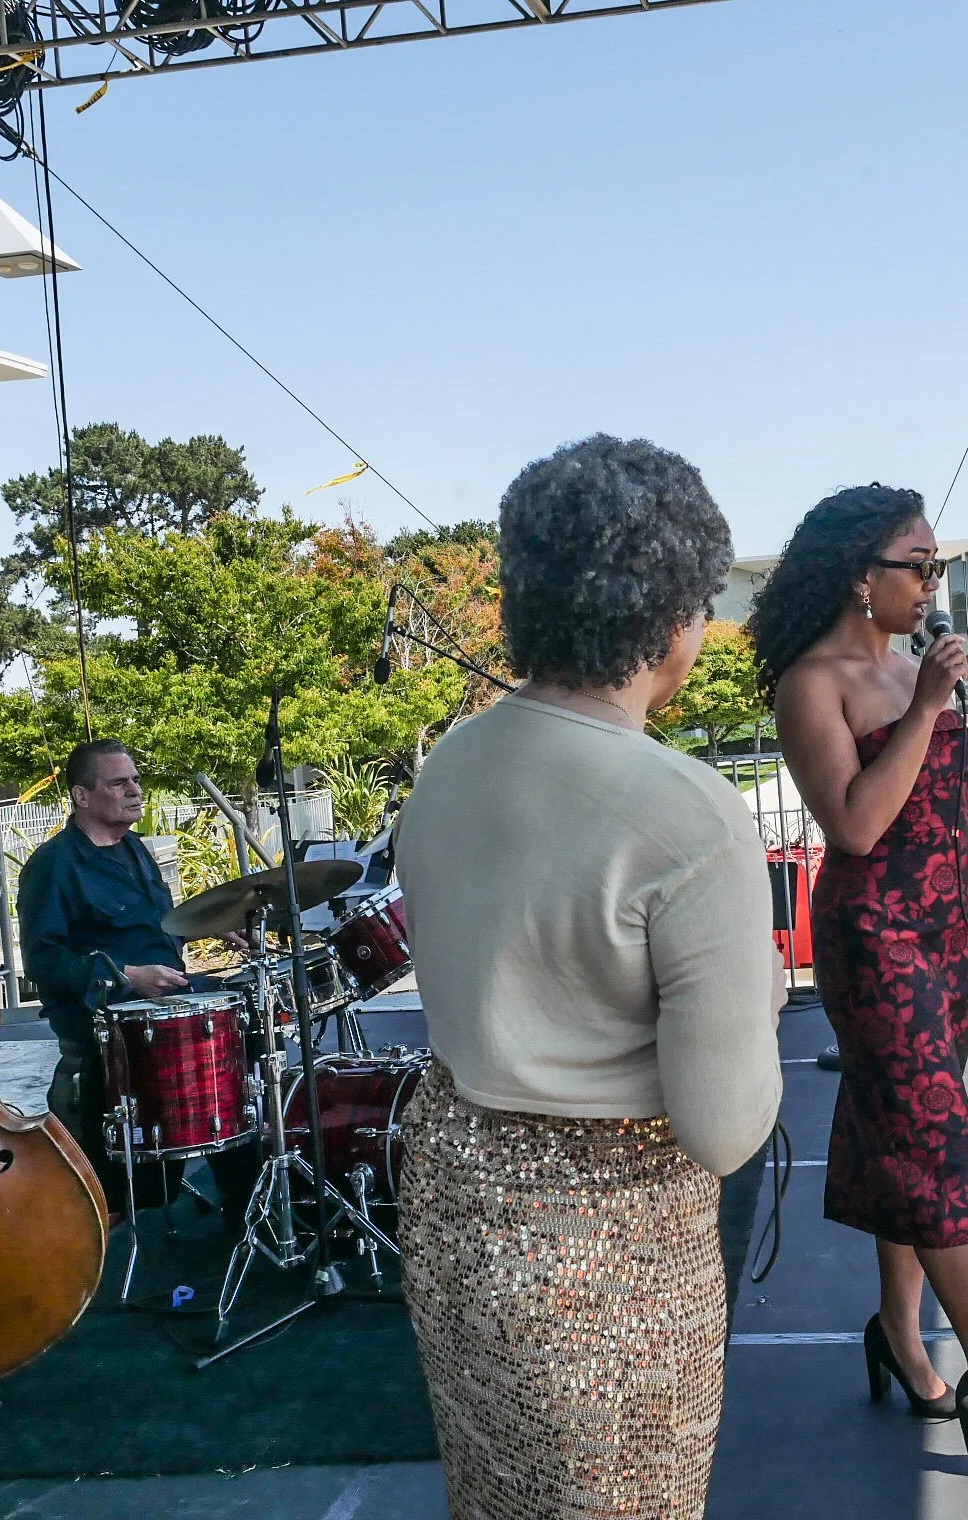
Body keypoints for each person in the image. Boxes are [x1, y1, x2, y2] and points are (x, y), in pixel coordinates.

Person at [393, 436, 783, 1520]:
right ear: (672, 616)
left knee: (497, 1492)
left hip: (458, 1204)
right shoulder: (688, 811)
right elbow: (723, 1128)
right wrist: (763, 988)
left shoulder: (450, 765)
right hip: (605, 1255)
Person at [751, 483, 968, 1478]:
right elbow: (855, 823)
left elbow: (958, 811)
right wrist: (932, 704)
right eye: (921, 564)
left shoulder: (908, 668)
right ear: (863, 574)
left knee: (898, 1138)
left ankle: (901, 1335)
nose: (935, 582)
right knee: (939, 1148)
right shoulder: (813, 684)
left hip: (947, 938)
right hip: (876, 941)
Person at [16, 738, 261, 1227]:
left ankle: (249, 1210)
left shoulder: (135, 849)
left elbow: (151, 925)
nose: (134, 790)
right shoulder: (53, 866)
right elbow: (43, 963)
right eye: (118, 782)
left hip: (167, 1018)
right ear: (82, 796)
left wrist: (210, 923)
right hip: (110, 1041)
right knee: (146, 1190)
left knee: (245, 1054)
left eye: (135, 780)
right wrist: (125, 976)